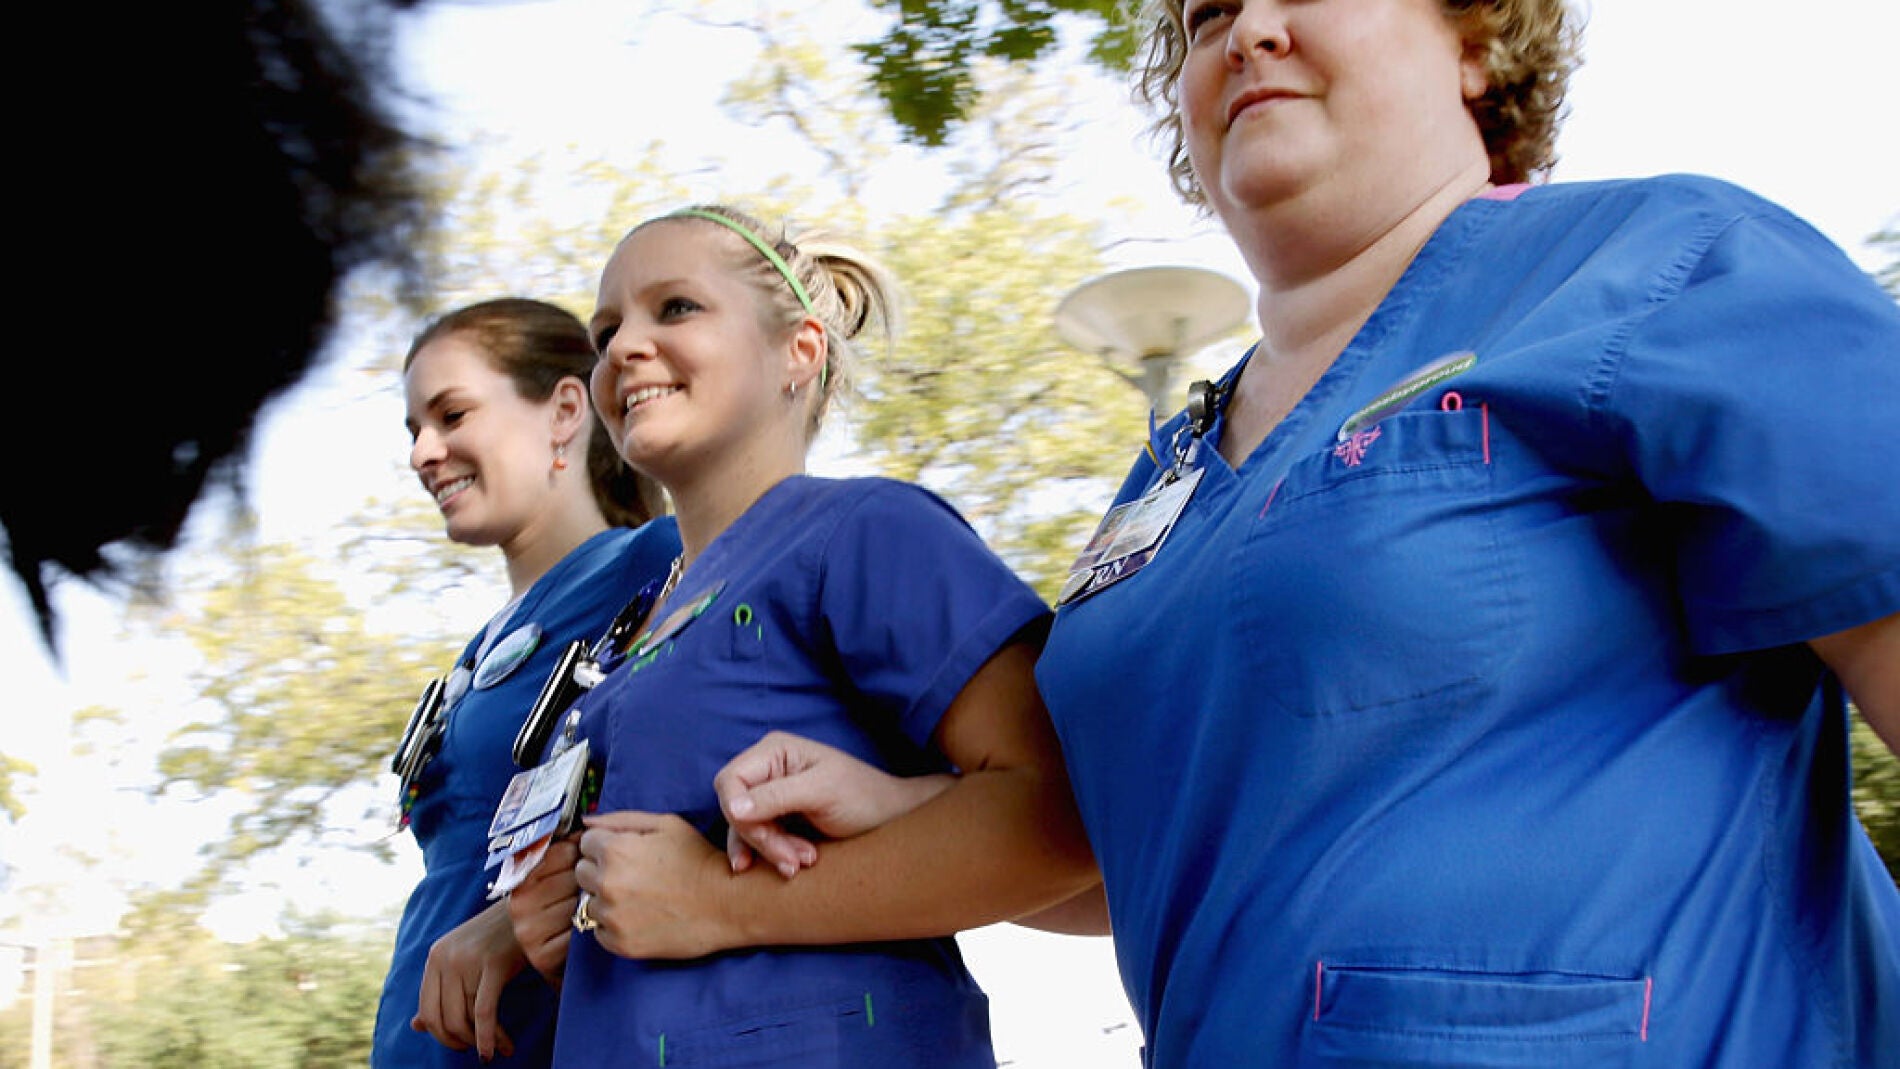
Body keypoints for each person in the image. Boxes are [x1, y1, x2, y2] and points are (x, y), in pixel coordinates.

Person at [718, 1, 1900, 1065]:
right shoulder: (1162, 482)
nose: (1249, 31)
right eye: (1206, 15)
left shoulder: (1660, 265)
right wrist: (900, 807)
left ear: (1478, 42)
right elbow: (1147, 851)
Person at [501, 204, 1098, 1067]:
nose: (624, 346)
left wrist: (715, 900)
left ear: (800, 351)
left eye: (674, 308)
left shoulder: (867, 530)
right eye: (605, 329)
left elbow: (1068, 817)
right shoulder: (621, 638)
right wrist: (536, 917)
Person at [373, 298, 681, 1067]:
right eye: (414, 431)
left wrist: (533, 912)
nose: (423, 453)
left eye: (451, 414)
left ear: (565, 410)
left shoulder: (660, 561)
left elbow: (708, 783)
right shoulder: (480, 649)